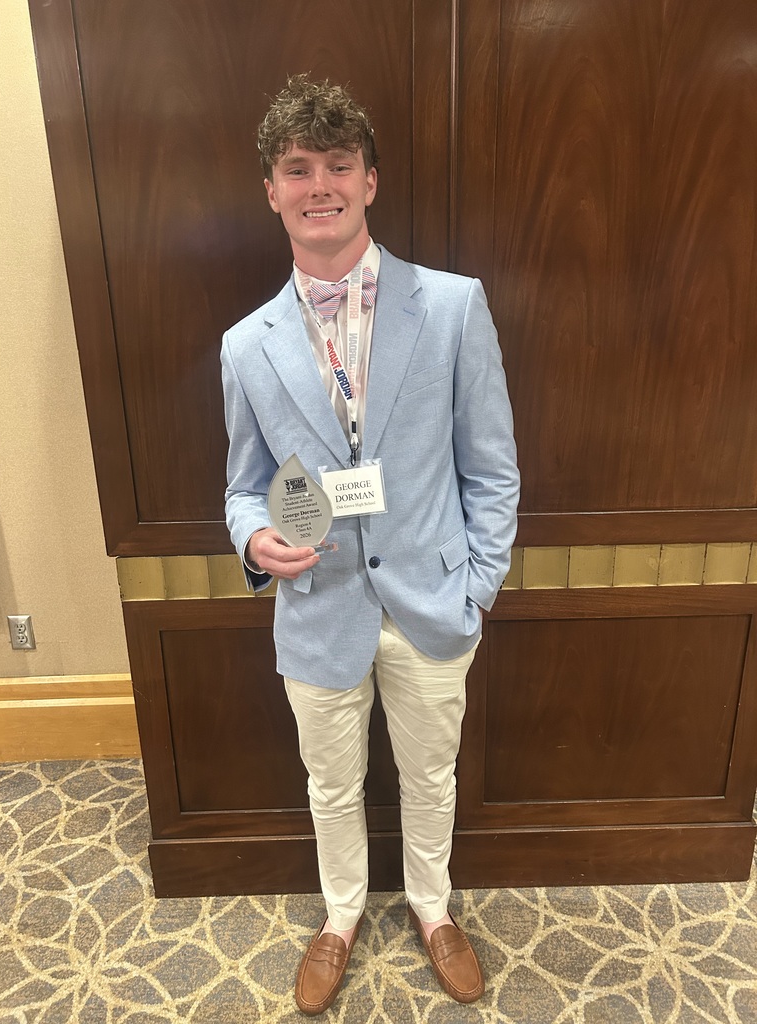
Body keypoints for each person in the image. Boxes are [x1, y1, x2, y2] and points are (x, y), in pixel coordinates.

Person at [221, 75, 519, 1015]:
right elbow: (241, 485)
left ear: (370, 181)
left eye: (338, 165)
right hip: (318, 609)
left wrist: (479, 587)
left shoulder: (454, 306)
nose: (321, 185)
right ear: (272, 191)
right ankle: (341, 914)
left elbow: (492, 466)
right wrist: (253, 539)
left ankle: (432, 907)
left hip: (434, 602)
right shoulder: (246, 345)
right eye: (297, 168)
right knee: (330, 783)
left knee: (431, 775)